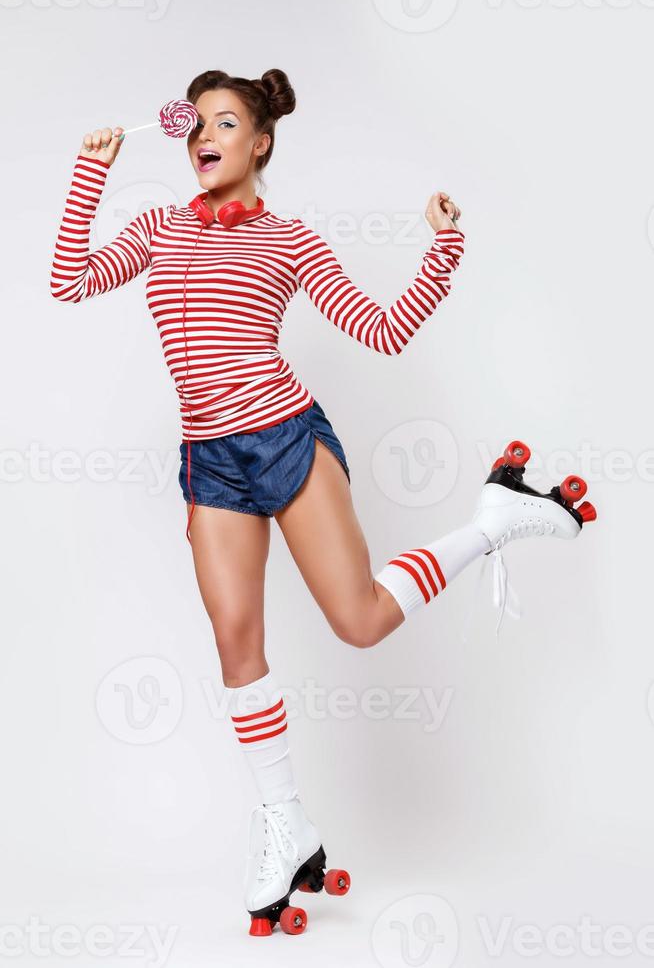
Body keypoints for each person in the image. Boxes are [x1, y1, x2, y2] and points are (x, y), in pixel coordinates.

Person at [49, 67, 594, 936]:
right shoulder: (157, 228)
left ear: (259, 141)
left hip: (287, 438)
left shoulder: (289, 240)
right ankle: (284, 822)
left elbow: (380, 329)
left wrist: (442, 248)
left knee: (362, 620)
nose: (204, 136)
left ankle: (493, 524)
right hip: (209, 460)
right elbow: (68, 280)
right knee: (237, 645)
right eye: (196, 122)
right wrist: (92, 173)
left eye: (224, 122)